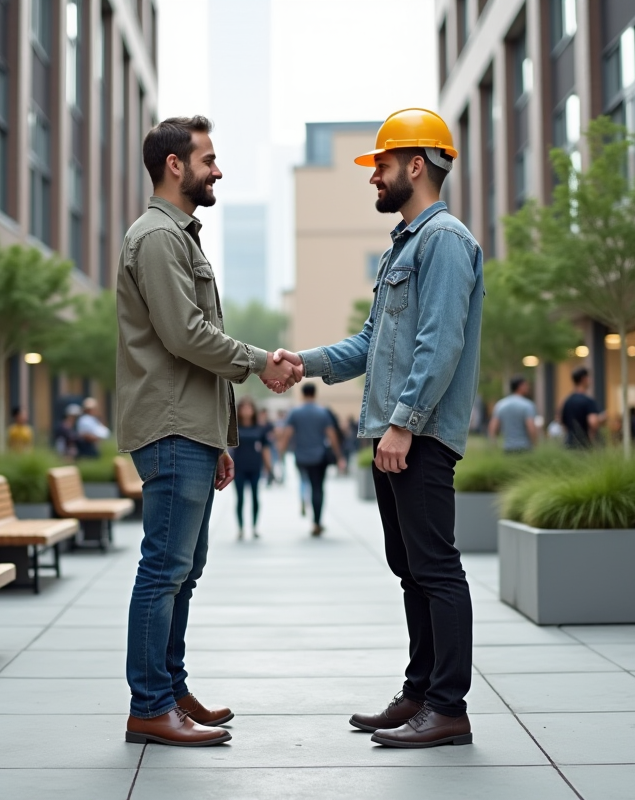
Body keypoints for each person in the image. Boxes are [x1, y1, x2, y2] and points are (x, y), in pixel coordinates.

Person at [272, 108, 483, 748]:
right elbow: (372, 344)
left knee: (436, 568)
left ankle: (448, 708)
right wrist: (301, 361)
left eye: (382, 166)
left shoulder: (444, 241)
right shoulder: (406, 245)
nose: (374, 178)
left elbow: (439, 344)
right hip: (394, 435)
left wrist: (403, 425)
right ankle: (420, 692)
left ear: (416, 165)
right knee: (411, 566)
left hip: (415, 437)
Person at [115, 115, 301, 747]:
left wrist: (222, 437)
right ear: (176, 165)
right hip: (169, 430)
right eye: (209, 159)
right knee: (164, 570)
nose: (217, 170)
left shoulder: (180, 237)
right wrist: (259, 362)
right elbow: (185, 337)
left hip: (189, 431)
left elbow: (190, 347)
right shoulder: (159, 238)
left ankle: (170, 687)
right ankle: (149, 705)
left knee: (183, 570)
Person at [277, 383, 346, 537]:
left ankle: (304, 500)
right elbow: (332, 435)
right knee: (318, 488)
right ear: (315, 394)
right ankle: (316, 522)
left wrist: (280, 455)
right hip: (319, 456)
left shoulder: (295, 413)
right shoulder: (322, 412)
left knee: (304, 481)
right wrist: (339, 456)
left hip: (301, 456)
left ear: (302, 394)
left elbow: (286, 434)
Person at [230, 397, 272, 540]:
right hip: (239, 467)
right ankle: (240, 528)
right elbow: (228, 448)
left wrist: (269, 467)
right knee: (240, 499)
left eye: (249, 407)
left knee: (255, 497)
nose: (246, 410)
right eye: (243, 408)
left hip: (255, 466)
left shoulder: (259, 428)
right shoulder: (234, 428)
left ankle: (254, 527)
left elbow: (265, 448)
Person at [488, 375, 537, 452]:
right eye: (526, 385)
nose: (528, 387)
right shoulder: (528, 405)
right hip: (524, 447)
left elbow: (493, 426)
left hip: (507, 448)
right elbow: (531, 426)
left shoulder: (500, 404)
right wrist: (534, 444)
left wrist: (494, 442)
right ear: (520, 386)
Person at [560, 367, 605, 448]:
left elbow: (563, 422)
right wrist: (602, 419)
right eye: (589, 377)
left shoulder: (567, 401)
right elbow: (593, 422)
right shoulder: (588, 401)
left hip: (569, 443)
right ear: (584, 379)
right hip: (583, 445)